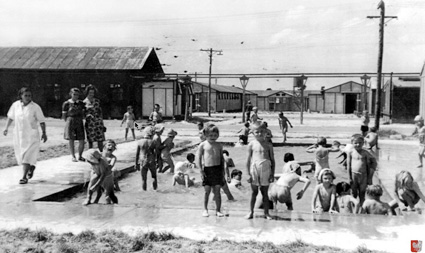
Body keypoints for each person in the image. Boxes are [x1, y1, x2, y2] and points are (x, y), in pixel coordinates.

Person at [3, 87, 47, 184]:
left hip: (31, 135)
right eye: (25, 95)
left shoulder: (35, 107)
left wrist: (44, 133)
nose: (28, 97)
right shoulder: (15, 105)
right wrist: (6, 128)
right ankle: (31, 167)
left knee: (27, 156)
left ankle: (24, 177)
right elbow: (11, 117)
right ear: (21, 96)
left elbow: (42, 121)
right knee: (21, 156)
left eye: (29, 96)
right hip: (19, 134)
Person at [196, 124, 227, 217]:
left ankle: (218, 210)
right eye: (210, 135)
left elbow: (222, 159)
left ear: (218, 135)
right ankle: (205, 209)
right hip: (207, 169)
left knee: (217, 191)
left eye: (215, 135)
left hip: (217, 169)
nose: (213, 137)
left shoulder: (219, 145)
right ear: (205, 135)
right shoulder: (203, 145)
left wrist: (223, 171)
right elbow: (198, 158)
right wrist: (200, 170)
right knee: (207, 191)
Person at [245, 122, 275, 220]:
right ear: (252, 133)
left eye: (262, 131)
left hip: (266, 168)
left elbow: (272, 160)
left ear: (266, 132)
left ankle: (266, 213)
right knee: (254, 192)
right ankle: (250, 211)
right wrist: (247, 174)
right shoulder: (251, 144)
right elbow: (248, 160)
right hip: (255, 169)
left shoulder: (268, 145)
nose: (259, 134)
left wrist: (272, 174)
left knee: (265, 193)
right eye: (256, 132)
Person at [347, 135, 378, 205]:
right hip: (353, 174)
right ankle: (354, 208)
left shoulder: (365, 153)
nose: (358, 144)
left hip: (363, 175)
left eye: (360, 143)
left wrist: (370, 176)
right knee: (353, 193)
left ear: (363, 143)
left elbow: (374, 162)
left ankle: (362, 208)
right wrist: (349, 178)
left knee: (362, 193)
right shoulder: (350, 152)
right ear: (352, 143)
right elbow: (348, 166)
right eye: (355, 143)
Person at [62, 88, 86, 162]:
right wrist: (68, 122)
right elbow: (64, 115)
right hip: (71, 120)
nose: (76, 96)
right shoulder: (66, 103)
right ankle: (73, 156)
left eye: (77, 95)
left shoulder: (81, 103)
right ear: (71, 94)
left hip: (79, 121)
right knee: (71, 139)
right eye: (74, 94)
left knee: (81, 139)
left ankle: (80, 155)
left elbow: (83, 113)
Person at [83, 85, 105, 152]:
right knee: (90, 140)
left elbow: (100, 112)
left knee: (100, 140)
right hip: (90, 123)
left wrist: (102, 123)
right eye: (90, 93)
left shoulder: (97, 101)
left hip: (98, 122)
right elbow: (83, 113)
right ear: (87, 93)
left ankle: (102, 155)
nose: (91, 94)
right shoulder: (84, 102)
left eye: (93, 93)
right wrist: (87, 116)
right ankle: (90, 155)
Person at [135, 126, 157, 191]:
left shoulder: (140, 142)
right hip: (151, 160)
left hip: (142, 161)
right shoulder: (153, 142)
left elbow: (137, 154)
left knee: (144, 179)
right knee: (154, 177)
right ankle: (155, 191)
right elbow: (156, 153)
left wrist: (136, 163)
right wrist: (157, 161)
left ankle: (144, 192)